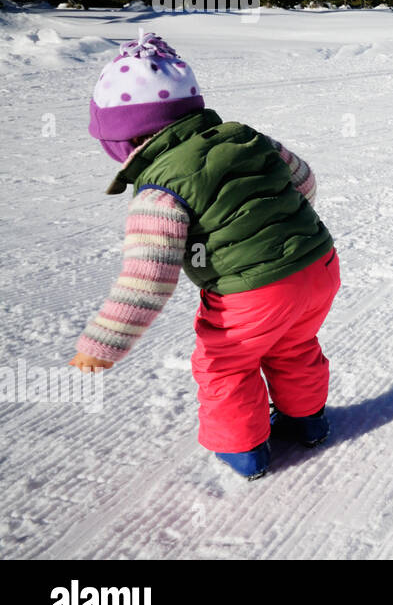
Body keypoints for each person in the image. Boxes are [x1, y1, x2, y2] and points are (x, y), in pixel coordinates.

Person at [71, 31, 340, 480]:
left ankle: (245, 452)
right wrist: (275, 227)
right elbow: (305, 181)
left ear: (122, 141)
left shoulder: (158, 192)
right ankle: (307, 422)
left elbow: (148, 280)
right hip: (319, 266)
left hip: (254, 293)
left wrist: (100, 345)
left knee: (226, 364)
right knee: (293, 343)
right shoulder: (247, 138)